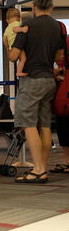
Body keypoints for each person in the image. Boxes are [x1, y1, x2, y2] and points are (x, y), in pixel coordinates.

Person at [9, 0, 65, 183]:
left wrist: (8, 44)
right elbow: (58, 57)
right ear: (51, 7)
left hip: (32, 80)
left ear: (34, 7)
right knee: (45, 125)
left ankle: (39, 169)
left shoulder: (27, 26)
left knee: (29, 124)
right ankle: (43, 166)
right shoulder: (57, 26)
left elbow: (13, 56)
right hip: (49, 79)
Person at [50, 24, 69, 175]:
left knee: (64, 125)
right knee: (62, 126)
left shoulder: (65, 44)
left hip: (64, 93)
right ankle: (67, 161)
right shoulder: (62, 44)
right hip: (62, 91)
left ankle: (67, 160)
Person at [3, 8, 27, 77]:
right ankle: (19, 72)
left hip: (11, 47)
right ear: (19, 18)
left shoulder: (7, 28)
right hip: (17, 45)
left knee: (20, 59)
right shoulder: (17, 23)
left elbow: (4, 38)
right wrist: (22, 29)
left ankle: (19, 71)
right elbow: (15, 29)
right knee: (23, 59)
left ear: (7, 20)